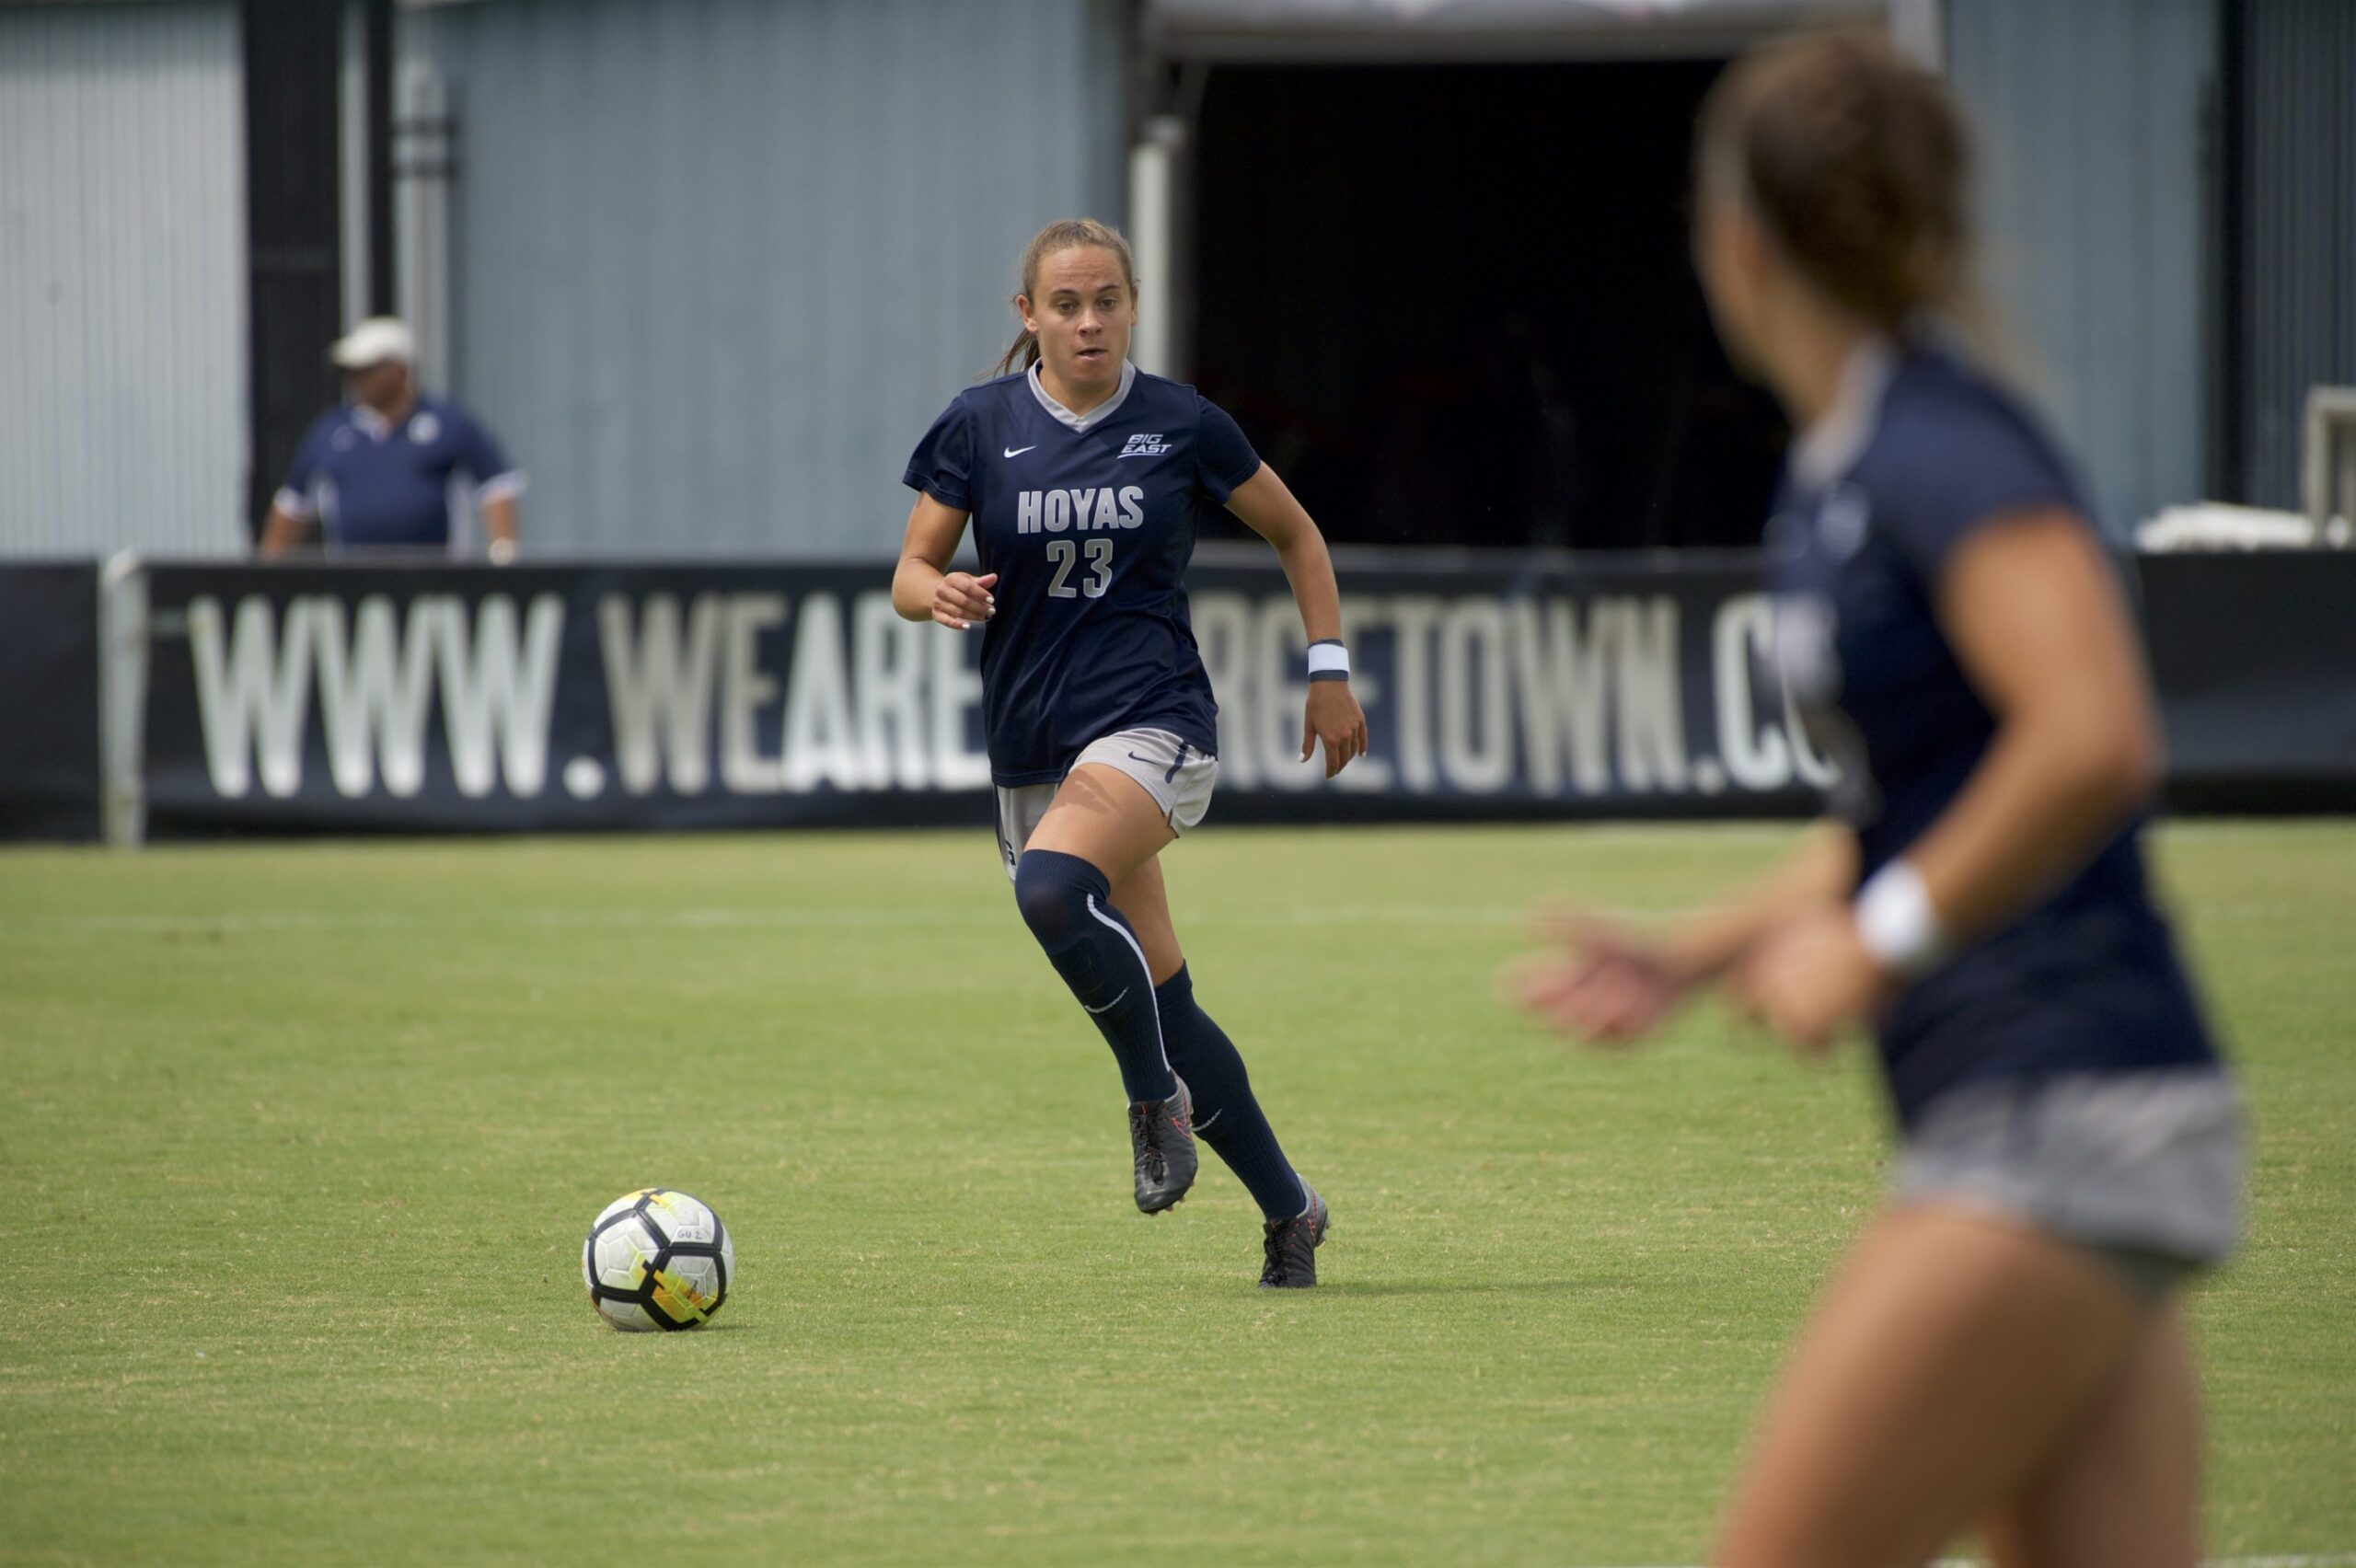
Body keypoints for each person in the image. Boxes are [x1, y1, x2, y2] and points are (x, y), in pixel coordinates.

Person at [1512, 33, 2242, 1567]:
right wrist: (1696, 951)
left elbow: (2094, 731)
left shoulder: (1939, 444)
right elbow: (1908, 808)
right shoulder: (1841, 469)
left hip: (2056, 1106)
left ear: (1736, 242)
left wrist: (1881, 939)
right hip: (2086, 1108)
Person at [893, 218, 1368, 1287]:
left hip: (1153, 720)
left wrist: (1328, 666)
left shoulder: (1178, 423)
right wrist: (943, 593)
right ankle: (1292, 1210)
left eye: (1106, 299)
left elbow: (1297, 533)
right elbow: (908, 573)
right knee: (1167, 997)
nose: (1088, 320)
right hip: (1032, 748)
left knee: (1056, 892)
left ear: (1131, 306)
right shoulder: (980, 426)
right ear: (1029, 317)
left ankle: (1153, 1101)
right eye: (1065, 304)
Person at [259, 317, 524, 559]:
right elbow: (292, 504)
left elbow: (496, 486)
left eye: (367, 370)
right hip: (352, 583)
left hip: (434, 582)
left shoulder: (447, 423)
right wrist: (267, 576)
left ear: (398, 370)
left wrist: (503, 556)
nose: (356, 380)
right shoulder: (330, 431)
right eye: (352, 371)